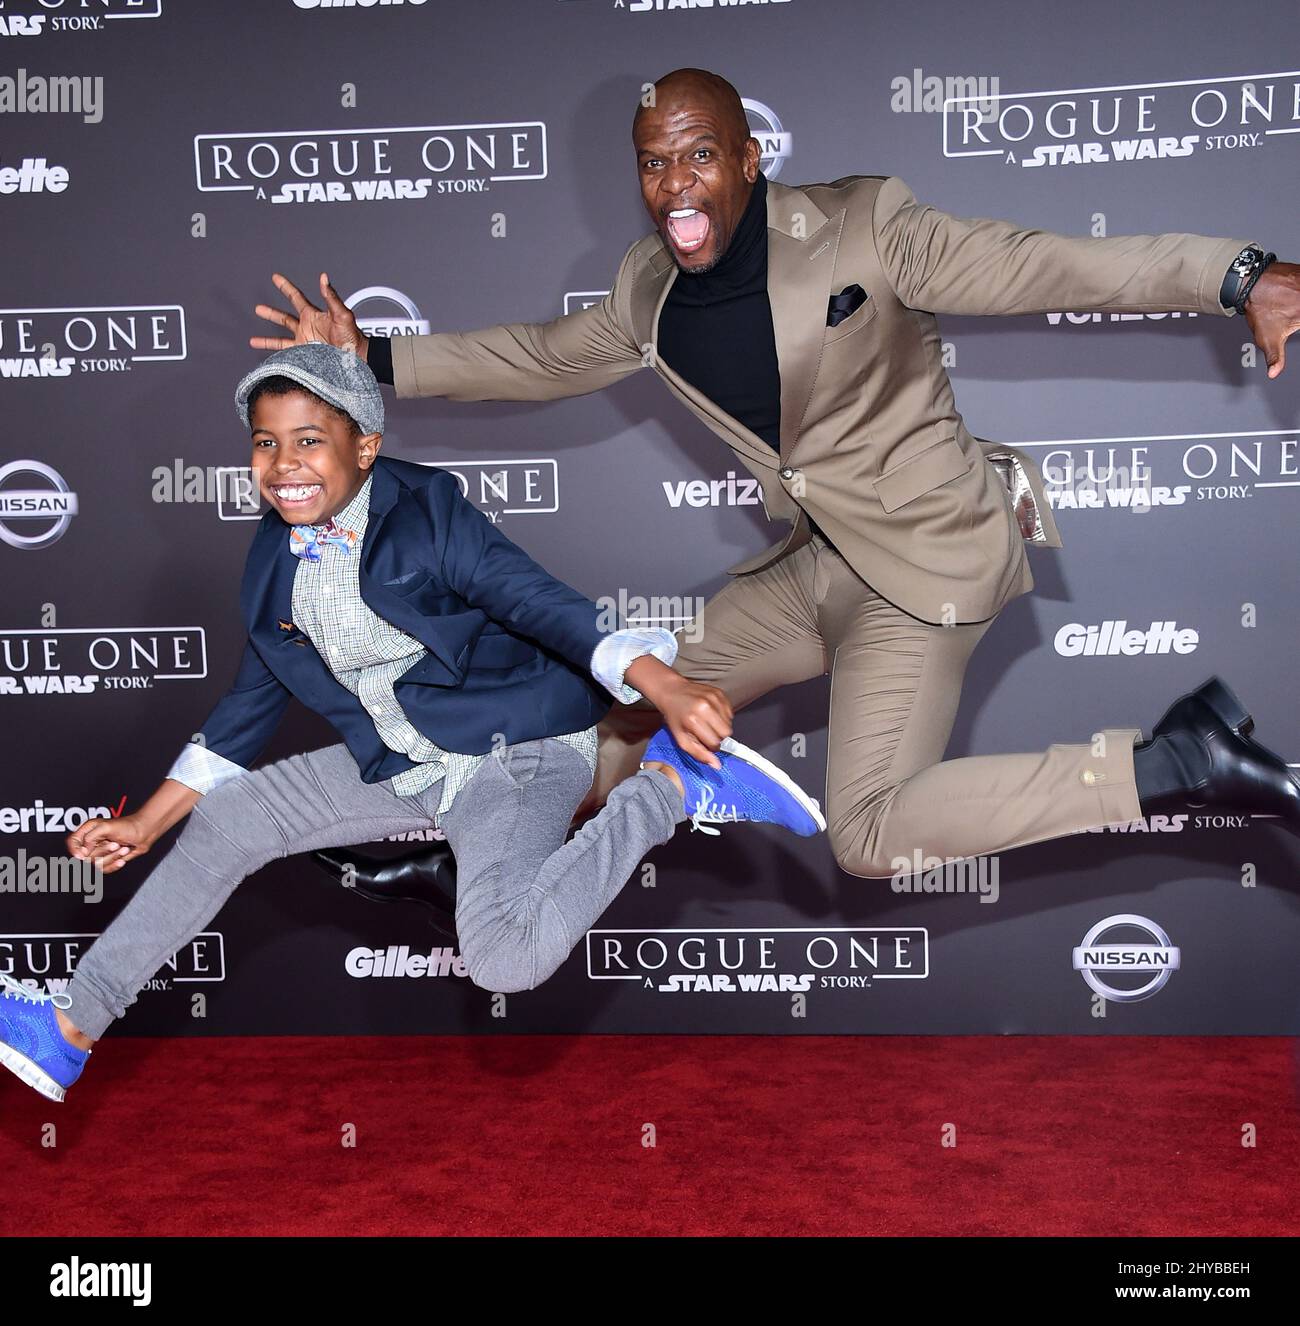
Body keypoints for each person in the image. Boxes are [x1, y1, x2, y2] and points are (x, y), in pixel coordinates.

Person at [251, 67, 1300, 890]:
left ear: (750, 158)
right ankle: (476, 861)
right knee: (623, 705)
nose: (674, 186)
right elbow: (538, 357)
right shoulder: (647, 285)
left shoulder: (866, 229)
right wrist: (367, 362)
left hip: (920, 571)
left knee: (871, 832)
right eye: (654, 164)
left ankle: (1168, 766)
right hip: (816, 567)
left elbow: (1057, 265)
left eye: (698, 156)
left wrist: (1236, 276)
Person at [0, 342, 824, 1104]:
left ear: (365, 447)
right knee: (234, 817)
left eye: (309, 441)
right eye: (265, 443)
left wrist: (665, 688)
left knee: (507, 956)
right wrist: (145, 822)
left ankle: (672, 787)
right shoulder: (271, 557)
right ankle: (68, 1029)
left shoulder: (428, 511)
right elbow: (248, 707)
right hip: (407, 759)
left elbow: (539, 603)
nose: (284, 465)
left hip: (518, 749)